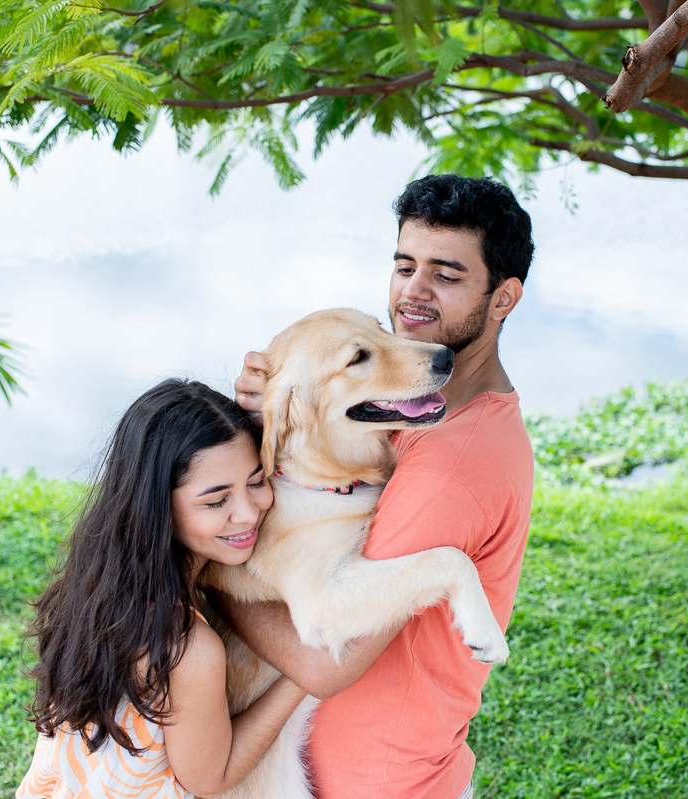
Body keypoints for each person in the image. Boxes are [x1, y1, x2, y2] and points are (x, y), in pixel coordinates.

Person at [224, 174, 536, 799]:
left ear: (503, 298)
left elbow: (321, 657)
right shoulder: (412, 412)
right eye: (404, 266)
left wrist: (216, 576)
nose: (413, 295)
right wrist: (275, 405)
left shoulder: (451, 466)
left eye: (446, 276)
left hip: (376, 783)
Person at [16, 379, 308, 799]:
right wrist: (301, 675)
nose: (247, 512)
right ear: (159, 507)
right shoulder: (187, 647)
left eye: (257, 481)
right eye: (215, 501)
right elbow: (211, 778)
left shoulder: (99, 585)